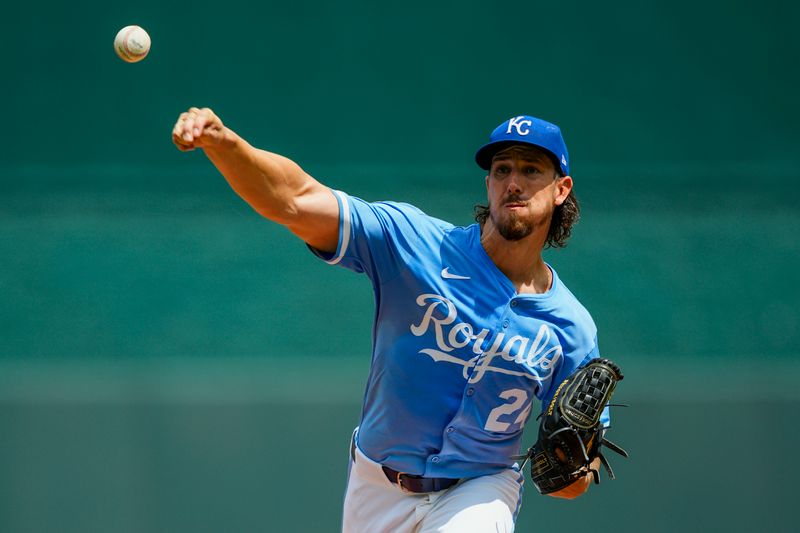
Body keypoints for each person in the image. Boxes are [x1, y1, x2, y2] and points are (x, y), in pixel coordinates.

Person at [172, 110, 606, 532]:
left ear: (561, 189)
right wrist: (228, 146)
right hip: (376, 485)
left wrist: (571, 467)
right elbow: (295, 199)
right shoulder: (414, 244)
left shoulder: (571, 329)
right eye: (501, 169)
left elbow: (574, 483)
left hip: (481, 488)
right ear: (487, 183)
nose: (513, 183)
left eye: (531, 170)